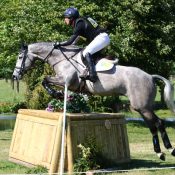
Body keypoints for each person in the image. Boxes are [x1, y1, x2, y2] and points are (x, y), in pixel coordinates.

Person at [54, 7, 110, 82]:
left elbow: (70, 41)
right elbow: (75, 40)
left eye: (66, 17)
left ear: (71, 18)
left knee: (86, 53)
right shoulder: (82, 20)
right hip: (102, 37)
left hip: (101, 38)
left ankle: (93, 76)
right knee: (86, 52)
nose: (65, 20)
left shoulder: (79, 24)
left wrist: (59, 44)